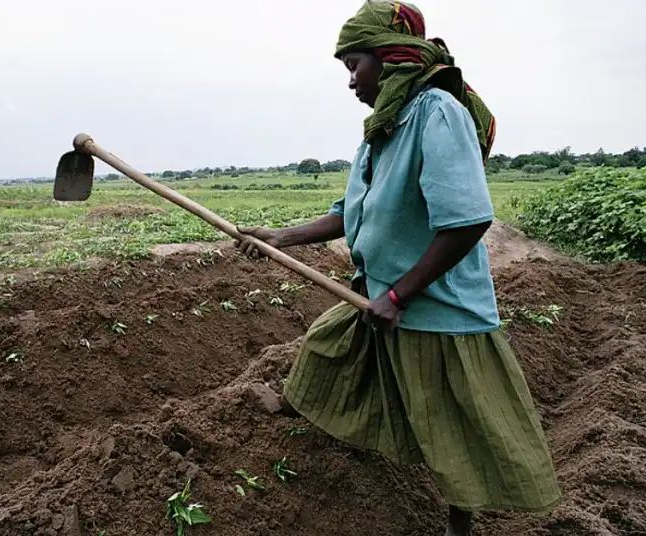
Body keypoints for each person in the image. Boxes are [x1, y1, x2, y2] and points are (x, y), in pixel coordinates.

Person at [236, 1, 561, 534]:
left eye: (354, 67)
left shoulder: (436, 113)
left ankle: (460, 523)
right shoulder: (383, 128)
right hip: (380, 289)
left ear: (390, 59)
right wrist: (283, 236)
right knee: (326, 345)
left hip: (437, 305)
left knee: (454, 427)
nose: (350, 83)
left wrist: (399, 296)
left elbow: (467, 221)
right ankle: (297, 413)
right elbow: (351, 212)